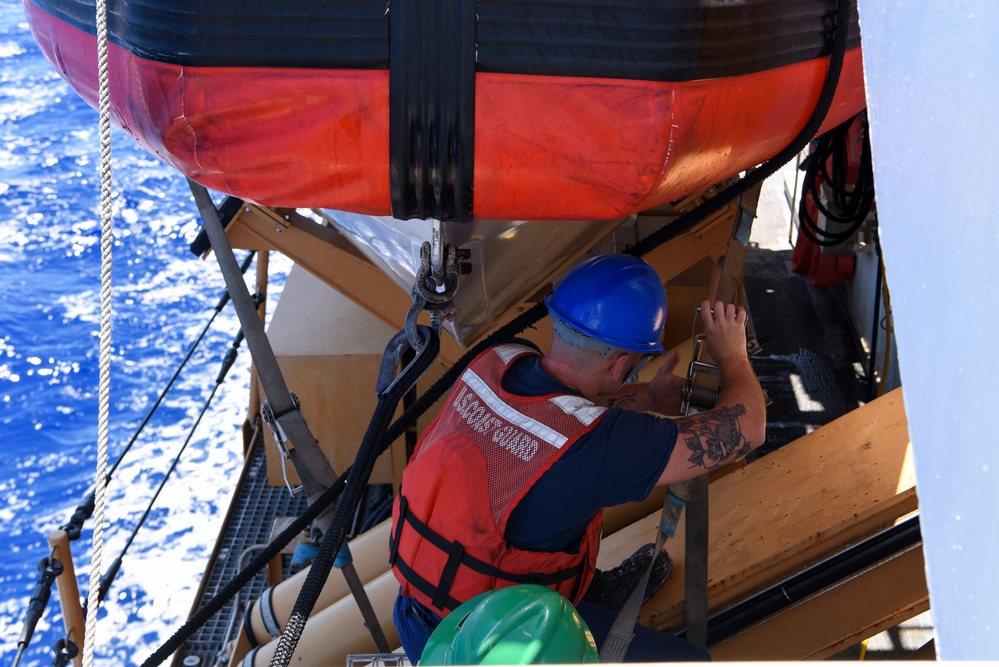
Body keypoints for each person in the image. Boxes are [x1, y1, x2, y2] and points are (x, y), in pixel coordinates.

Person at [388, 253, 766, 662]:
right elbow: (748, 430)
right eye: (635, 366)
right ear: (622, 363)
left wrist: (650, 398)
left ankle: (578, 591)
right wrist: (732, 354)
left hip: (420, 612)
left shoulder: (496, 360)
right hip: (488, 647)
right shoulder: (598, 447)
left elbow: (557, 414)